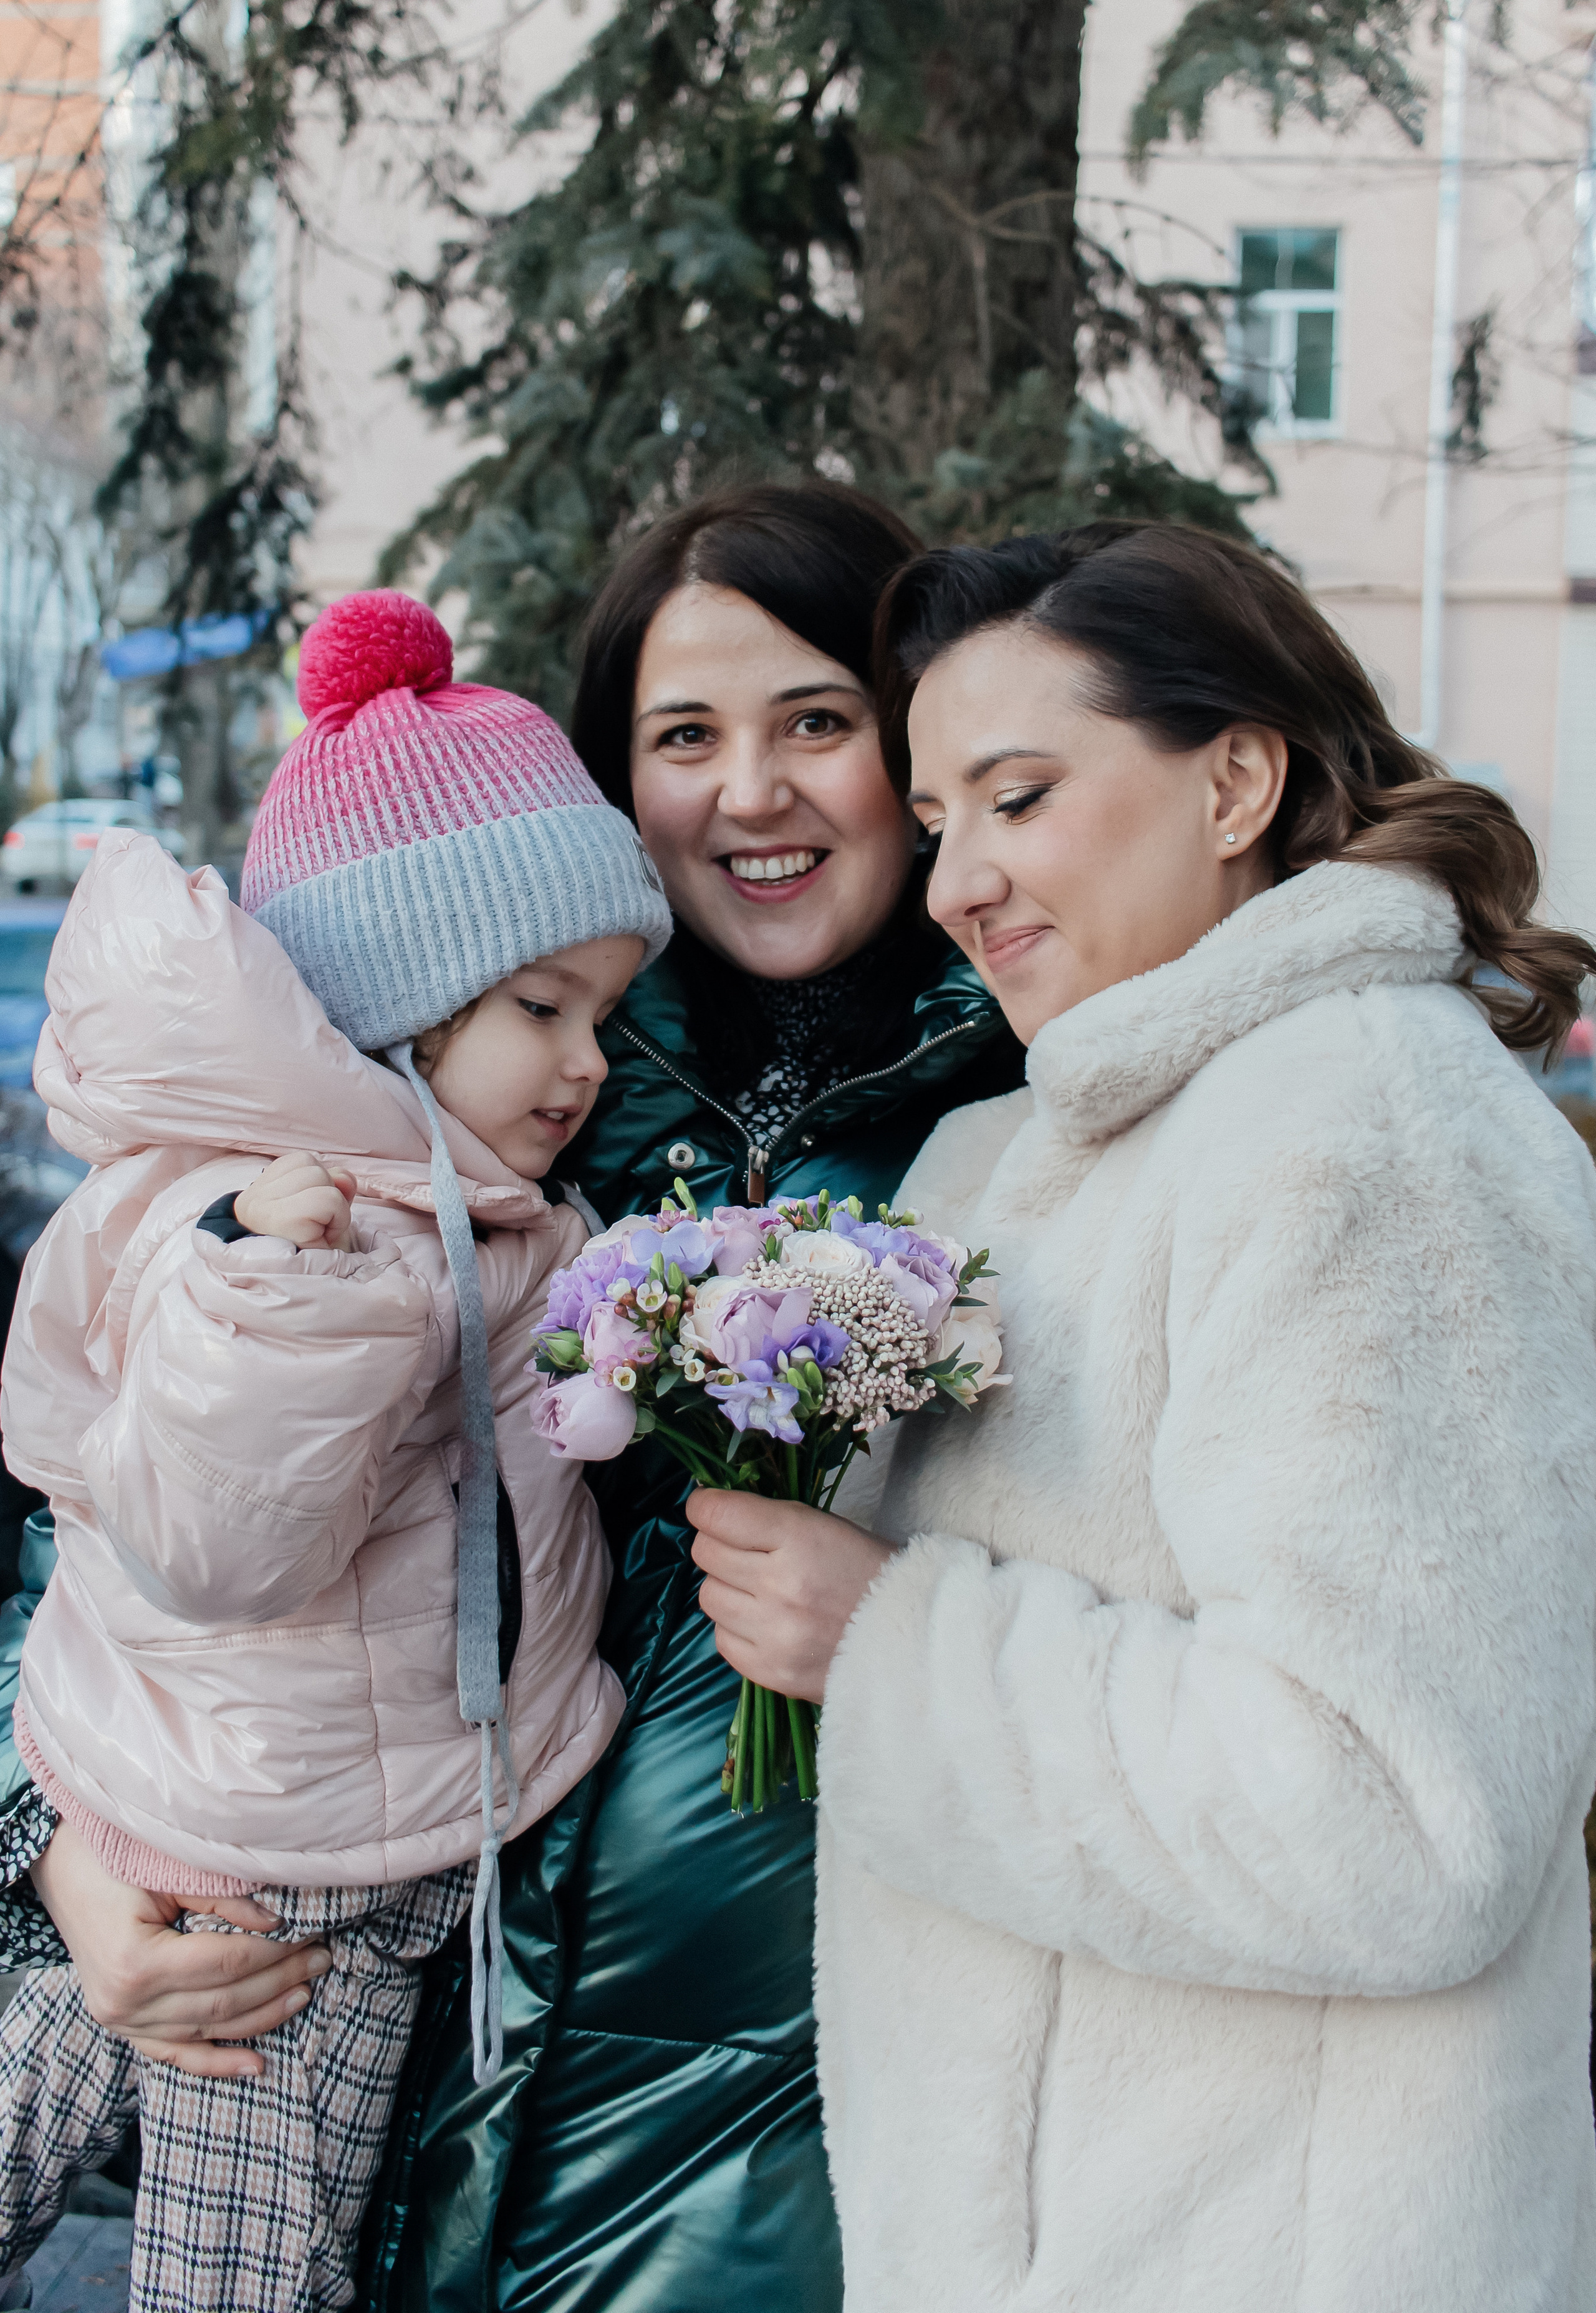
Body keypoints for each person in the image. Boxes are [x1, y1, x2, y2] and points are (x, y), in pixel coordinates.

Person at [0, 488, 1026, 2311]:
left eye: (817, 722)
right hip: (441, 2077)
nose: (754, 792)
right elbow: (102, 1534)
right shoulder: (480, 1132)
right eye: (684, 738)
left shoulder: (1021, 1119)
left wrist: (917, 1636)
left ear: (916, 746)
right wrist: (67, 1861)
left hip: (842, 2122)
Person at [690, 520, 1596, 2311]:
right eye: (939, 818)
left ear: (1238, 778)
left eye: (1017, 797)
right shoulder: (1033, 1151)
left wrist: (892, 1644)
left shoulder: (1366, 1131)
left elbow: (1401, 1817)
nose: (954, 881)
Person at [0, 587, 671, 2311]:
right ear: (401, 1000)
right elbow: (213, 1545)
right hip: (280, 1874)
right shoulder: (284, 1224)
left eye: (606, 1012)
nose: (590, 1063)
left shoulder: (471, 1199)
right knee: (250, 2276)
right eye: (544, 1006)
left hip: (297, 1816)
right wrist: (284, 1301)